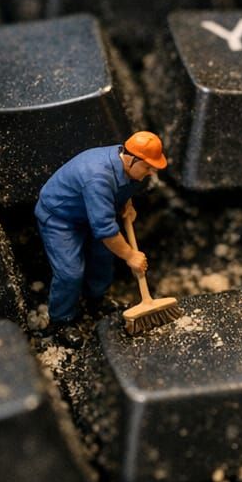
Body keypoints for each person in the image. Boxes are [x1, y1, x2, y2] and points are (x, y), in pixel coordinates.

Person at [35, 131, 167, 332]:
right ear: (132, 160)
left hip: (93, 212)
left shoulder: (126, 163)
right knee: (70, 272)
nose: (151, 173)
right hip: (61, 218)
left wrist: (126, 204)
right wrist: (130, 255)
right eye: (148, 167)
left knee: (104, 255)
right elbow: (105, 230)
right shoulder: (98, 177)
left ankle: (96, 299)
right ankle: (61, 321)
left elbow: (121, 190)